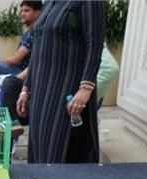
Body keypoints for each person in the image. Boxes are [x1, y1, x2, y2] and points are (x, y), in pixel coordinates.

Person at [17, 0, 105, 163]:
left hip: (67, 86)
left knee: (58, 146)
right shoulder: (49, 2)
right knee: (39, 145)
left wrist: (86, 88)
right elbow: (37, 49)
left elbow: (95, 45)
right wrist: (25, 88)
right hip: (40, 89)